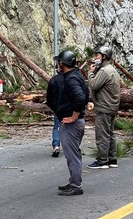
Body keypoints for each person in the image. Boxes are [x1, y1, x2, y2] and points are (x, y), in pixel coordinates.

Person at [54, 50, 89, 196]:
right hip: (75, 122)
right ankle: (73, 181)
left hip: (72, 124)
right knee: (73, 153)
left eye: (59, 62)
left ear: (63, 63)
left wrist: (74, 116)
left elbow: (80, 98)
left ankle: (76, 185)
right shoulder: (77, 75)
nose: (58, 64)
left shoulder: (71, 79)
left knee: (72, 155)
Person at [87, 46, 121, 169]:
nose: (94, 58)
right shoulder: (112, 70)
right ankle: (112, 159)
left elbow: (94, 85)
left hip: (104, 107)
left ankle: (102, 160)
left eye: (97, 55)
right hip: (112, 107)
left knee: (102, 134)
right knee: (110, 134)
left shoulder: (104, 71)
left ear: (104, 56)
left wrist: (90, 73)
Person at [46, 56, 64, 157]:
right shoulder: (72, 79)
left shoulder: (53, 80)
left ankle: (56, 145)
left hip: (58, 108)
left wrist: (53, 106)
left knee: (57, 127)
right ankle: (72, 146)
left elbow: (49, 97)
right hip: (70, 108)